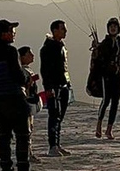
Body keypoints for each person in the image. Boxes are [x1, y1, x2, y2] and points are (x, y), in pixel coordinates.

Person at [0, 19, 30, 171]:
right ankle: (23, 166)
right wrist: (26, 78)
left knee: (4, 135)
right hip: (14, 98)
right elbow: (18, 77)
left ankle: (5, 166)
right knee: (22, 135)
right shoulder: (11, 51)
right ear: (4, 34)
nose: (14, 34)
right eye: (11, 31)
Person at [40, 20, 72, 157]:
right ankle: (52, 146)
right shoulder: (48, 48)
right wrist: (48, 87)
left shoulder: (61, 46)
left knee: (60, 116)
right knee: (54, 115)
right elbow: (45, 70)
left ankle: (57, 144)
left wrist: (68, 84)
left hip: (64, 84)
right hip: (54, 87)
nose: (65, 31)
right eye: (63, 29)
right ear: (55, 30)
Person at [93, 17, 120, 139]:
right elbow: (100, 61)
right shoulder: (104, 44)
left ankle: (109, 129)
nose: (113, 28)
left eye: (115, 26)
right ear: (108, 29)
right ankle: (99, 125)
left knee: (115, 102)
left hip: (118, 76)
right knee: (106, 100)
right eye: (111, 26)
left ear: (118, 29)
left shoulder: (119, 43)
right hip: (107, 76)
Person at [18, 46, 42, 163]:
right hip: (25, 103)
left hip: (30, 102)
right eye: (29, 53)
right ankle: (27, 154)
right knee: (26, 130)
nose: (32, 55)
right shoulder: (21, 71)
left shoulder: (27, 70)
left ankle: (29, 152)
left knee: (30, 129)